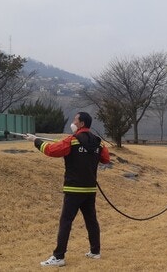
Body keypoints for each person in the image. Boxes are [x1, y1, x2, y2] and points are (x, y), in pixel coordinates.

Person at [24, 112, 110, 267]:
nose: (73, 122)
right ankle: (95, 252)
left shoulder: (72, 141)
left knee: (66, 221)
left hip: (73, 189)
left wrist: (35, 140)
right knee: (91, 220)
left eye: (75, 120)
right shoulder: (99, 142)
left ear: (82, 123)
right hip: (90, 190)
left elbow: (51, 150)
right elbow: (106, 159)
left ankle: (58, 257)